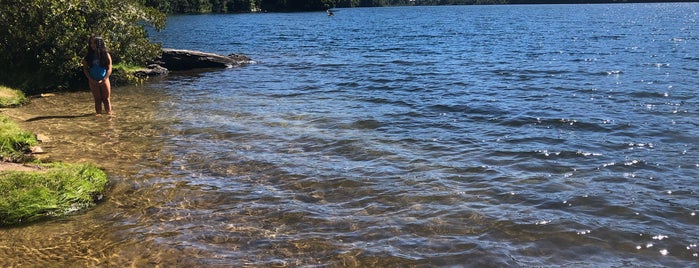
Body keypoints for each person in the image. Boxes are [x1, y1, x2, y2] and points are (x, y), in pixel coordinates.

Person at [82, 36, 113, 115]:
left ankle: (109, 115)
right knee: (97, 99)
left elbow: (109, 68)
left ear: (99, 44)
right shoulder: (88, 57)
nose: (92, 45)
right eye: (91, 43)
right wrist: (91, 79)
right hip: (93, 80)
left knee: (106, 99)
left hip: (104, 79)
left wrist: (105, 79)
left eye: (94, 43)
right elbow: (85, 69)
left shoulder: (105, 55)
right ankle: (98, 115)